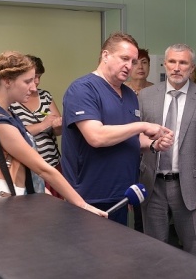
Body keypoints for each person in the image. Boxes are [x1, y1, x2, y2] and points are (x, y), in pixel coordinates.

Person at [0, 51, 108, 219]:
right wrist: (82, 205)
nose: (33, 87)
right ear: (7, 81)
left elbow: (23, 167)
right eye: (27, 81)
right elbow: (42, 168)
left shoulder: (6, 112)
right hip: (7, 210)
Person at [62, 32, 173, 226]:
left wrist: (153, 144)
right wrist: (142, 125)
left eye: (133, 61)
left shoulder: (129, 95)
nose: (130, 66)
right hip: (88, 197)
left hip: (121, 196)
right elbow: (96, 137)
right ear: (105, 55)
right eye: (124, 59)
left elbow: (130, 139)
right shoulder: (82, 89)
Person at [138, 44, 196, 258]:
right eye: (172, 61)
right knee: (154, 250)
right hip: (152, 184)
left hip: (189, 187)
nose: (176, 67)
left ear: (192, 68)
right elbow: (136, 140)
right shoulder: (146, 96)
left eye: (183, 63)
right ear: (165, 64)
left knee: (194, 249)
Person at [10, 55, 63, 198]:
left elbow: (58, 131)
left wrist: (58, 125)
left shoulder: (45, 96)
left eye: (39, 77)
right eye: (33, 78)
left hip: (52, 164)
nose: (37, 81)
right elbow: (15, 133)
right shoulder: (12, 101)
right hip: (28, 168)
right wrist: (43, 125)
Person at [124, 47, 154, 232]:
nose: (140, 67)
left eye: (144, 62)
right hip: (129, 151)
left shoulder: (156, 91)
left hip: (153, 152)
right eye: (136, 63)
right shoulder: (121, 90)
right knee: (136, 207)